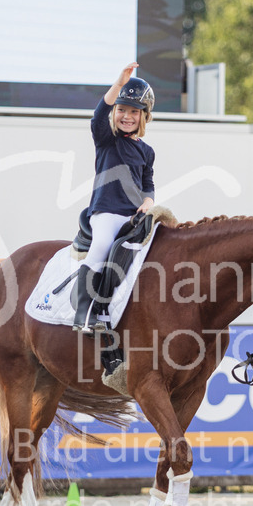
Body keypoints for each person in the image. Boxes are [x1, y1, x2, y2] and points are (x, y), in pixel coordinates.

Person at [74, 62, 157, 334]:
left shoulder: (147, 151)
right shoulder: (106, 138)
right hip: (107, 212)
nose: (127, 116)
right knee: (101, 246)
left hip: (133, 217)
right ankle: (84, 312)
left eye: (134, 111)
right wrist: (119, 85)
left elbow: (148, 183)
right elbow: (98, 115)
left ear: (144, 116)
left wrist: (148, 202)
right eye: (122, 109)